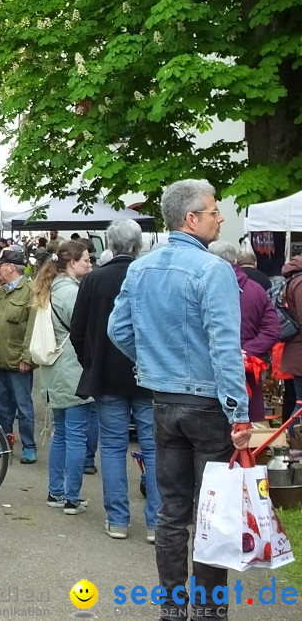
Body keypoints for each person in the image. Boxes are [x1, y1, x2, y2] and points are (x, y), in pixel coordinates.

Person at [108, 179, 251, 621]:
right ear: (191, 218)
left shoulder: (141, 268)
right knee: (211, 512)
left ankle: (173, 608)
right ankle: (207, 611)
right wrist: (240, 413)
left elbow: (120, 332)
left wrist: (153, 366)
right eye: (213, 211)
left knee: (172, 510)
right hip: (207, 406)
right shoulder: (213, 270)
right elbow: (225, 347)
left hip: (165, 401)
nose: (220, 216)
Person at [71, 219, 160, 543]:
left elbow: (77, 331)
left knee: (112, 447)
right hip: (148, 374)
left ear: (109, 243)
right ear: (138, 245)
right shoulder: (150, 277)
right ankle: (156, 524)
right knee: (153, 448)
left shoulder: (94, 279)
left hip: (107, 374)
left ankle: (118, 519)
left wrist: (91, 363)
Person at [33, 241, 94, 514]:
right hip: (72, 369)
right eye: (85, 260)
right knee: (76, 436)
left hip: (54, 369)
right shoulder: (70, 292)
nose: (89, 264)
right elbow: (86, 329)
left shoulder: (51, 287)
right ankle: (71, 496)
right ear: (71, 263)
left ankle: (56, 491)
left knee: (61, 434)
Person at [208, 241, 279, 423]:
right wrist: (246, 352)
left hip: (209, 373)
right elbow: (272, 329)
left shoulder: (202, 287)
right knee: (243, 434)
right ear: (235, 260)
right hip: (245, 370)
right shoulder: (256, 290)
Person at [0, 248, 37, 464]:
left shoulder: (30, 291)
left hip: (17, 359)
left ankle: (29, 445)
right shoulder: (2, 289)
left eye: (0, 266)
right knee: (1, 404)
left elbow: (33, 327)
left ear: (10, 267)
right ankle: (4, 442)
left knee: (23, 406)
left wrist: (27, 357)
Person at [278, 253, 302, 427]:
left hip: (296, 351)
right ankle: (294, 445)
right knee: (300, 406)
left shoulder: (294, 279)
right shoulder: (300, 282)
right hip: (299, 353)